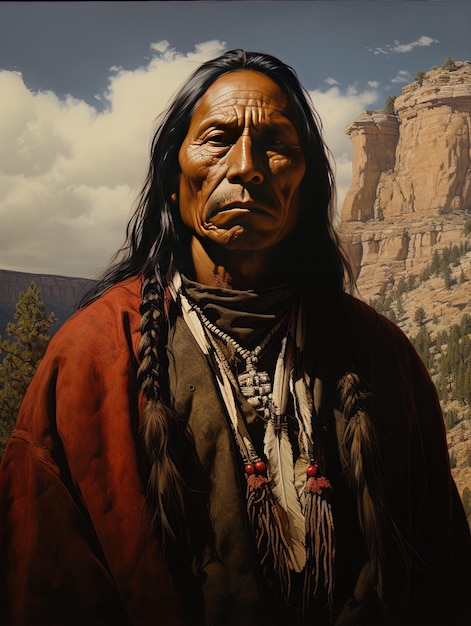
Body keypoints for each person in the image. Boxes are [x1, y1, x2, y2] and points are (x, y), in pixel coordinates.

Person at [0, 49, 469, 626]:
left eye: (277, 145)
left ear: (309, 185)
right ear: (173, 177)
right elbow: (42, 583)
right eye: (217, 139)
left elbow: (441, 574)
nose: (246, 165)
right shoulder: (91, 358)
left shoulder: (382, 356)